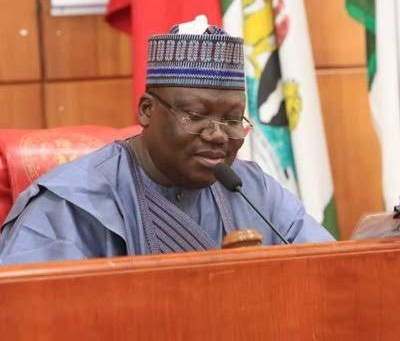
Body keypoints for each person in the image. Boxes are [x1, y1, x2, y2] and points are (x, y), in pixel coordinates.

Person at [0, 20, 334, 265]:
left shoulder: (254, 191)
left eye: (233, 120)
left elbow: (329, 270)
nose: (218, 134)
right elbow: (30, 312)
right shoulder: (73, 203)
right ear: (147, 110)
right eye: (196, 115)